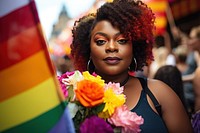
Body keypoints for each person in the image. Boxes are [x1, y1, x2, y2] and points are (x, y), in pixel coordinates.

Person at [70, 0, 193, 132]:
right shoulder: (72, 100)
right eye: (101, 41)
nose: (111, 47)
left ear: (135, 47)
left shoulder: (160, 93)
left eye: (122, 40)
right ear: (88, 50)